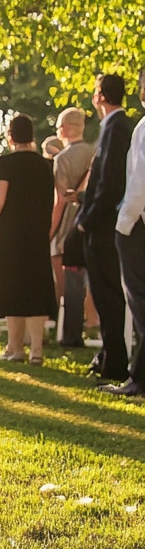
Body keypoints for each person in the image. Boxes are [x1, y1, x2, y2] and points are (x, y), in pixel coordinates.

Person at [0, 113, 56, 364]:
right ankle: (36, 349)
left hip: (8, 234)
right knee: (36, 288)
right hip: (36, 233)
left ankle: (15, 347)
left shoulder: (4, 164)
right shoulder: (46, 165)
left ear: (10, 136)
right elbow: (53, 201)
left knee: (10, 288)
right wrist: (49, 229)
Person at [74, 73, 132, 381]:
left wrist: (87, 219)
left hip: (103, 226)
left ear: (100, 96)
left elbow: (110, 181)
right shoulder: (115, 128)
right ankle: (108, 355)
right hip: (103, 222)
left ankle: (114, 362)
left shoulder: (116, 128)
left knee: (107, 294)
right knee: (104, 294)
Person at [106, 67, 145, 398]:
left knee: (140, 301)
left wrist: (124, 223)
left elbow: (139, 181)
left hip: (138, 226)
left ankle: (140, 378)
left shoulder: (144, 127)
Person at [48, 106, 95, 347]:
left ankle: (69, 333)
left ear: (65, 128)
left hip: (67, 225)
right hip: (91, 221)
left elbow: (60, 201)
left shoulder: (62, 159)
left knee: (67, 286)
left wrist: (50, 231)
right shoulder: (94, 151)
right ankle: (91, 327)